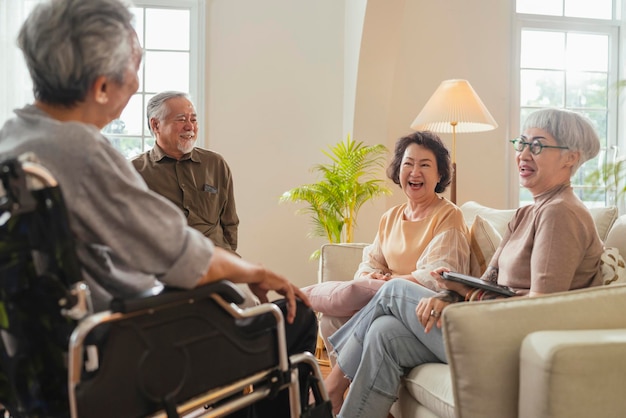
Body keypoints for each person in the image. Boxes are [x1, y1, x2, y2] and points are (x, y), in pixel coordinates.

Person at [0, 1, 315, 416]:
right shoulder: (82, 150)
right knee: (295, 319)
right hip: (123, 346)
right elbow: (187, 259)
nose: (135, 84)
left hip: (47, 357)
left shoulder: (13, 139)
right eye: (132, 70)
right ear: (100, 87)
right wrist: (255, 271)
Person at [324, 108, 604, 417]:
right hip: (490, 327)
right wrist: (451, 292)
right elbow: (490, 279)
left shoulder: (559, 213)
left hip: (506, 342)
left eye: (537, 145)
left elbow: (541, 308)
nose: (523, 154)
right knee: (384, 333)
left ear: (571, 158)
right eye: (521, 143)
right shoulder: (527, 213)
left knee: (393, 291)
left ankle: (333, 385)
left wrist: (467, 297)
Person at [309, 131, 471, 359]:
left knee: (379, 321)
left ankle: (336, 388)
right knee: (331, 319)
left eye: (424, 165)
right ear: (399, 170)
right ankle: (347, 388)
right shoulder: (390, 216)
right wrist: (372, 276)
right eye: (408, 164)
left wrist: (389, 283)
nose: (415, 172)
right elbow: (370, 263)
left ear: (440, 174)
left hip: (418, 307)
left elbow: (438, 276)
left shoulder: (449, 216)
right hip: (383, 297)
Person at [132, 91, 240, 255]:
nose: (190, 126)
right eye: (181, 119)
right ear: (155, 125)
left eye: (193, 120)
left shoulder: (215, 164)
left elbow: (230, 222)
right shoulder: (134, 171)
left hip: (216, 263)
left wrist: (227, 258)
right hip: (163, 267)